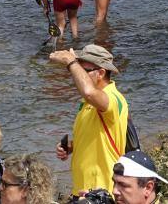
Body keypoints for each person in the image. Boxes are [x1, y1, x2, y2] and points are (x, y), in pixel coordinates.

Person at [51, 44, 129, 197]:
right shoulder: (87, 102)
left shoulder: (113, 98)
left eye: (83, 70)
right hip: (82, 188)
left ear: (101, 73)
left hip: (102, 190)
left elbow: (89, 92)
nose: (78, 74)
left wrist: (71, 62)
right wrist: (71, 147)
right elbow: (96, 137)